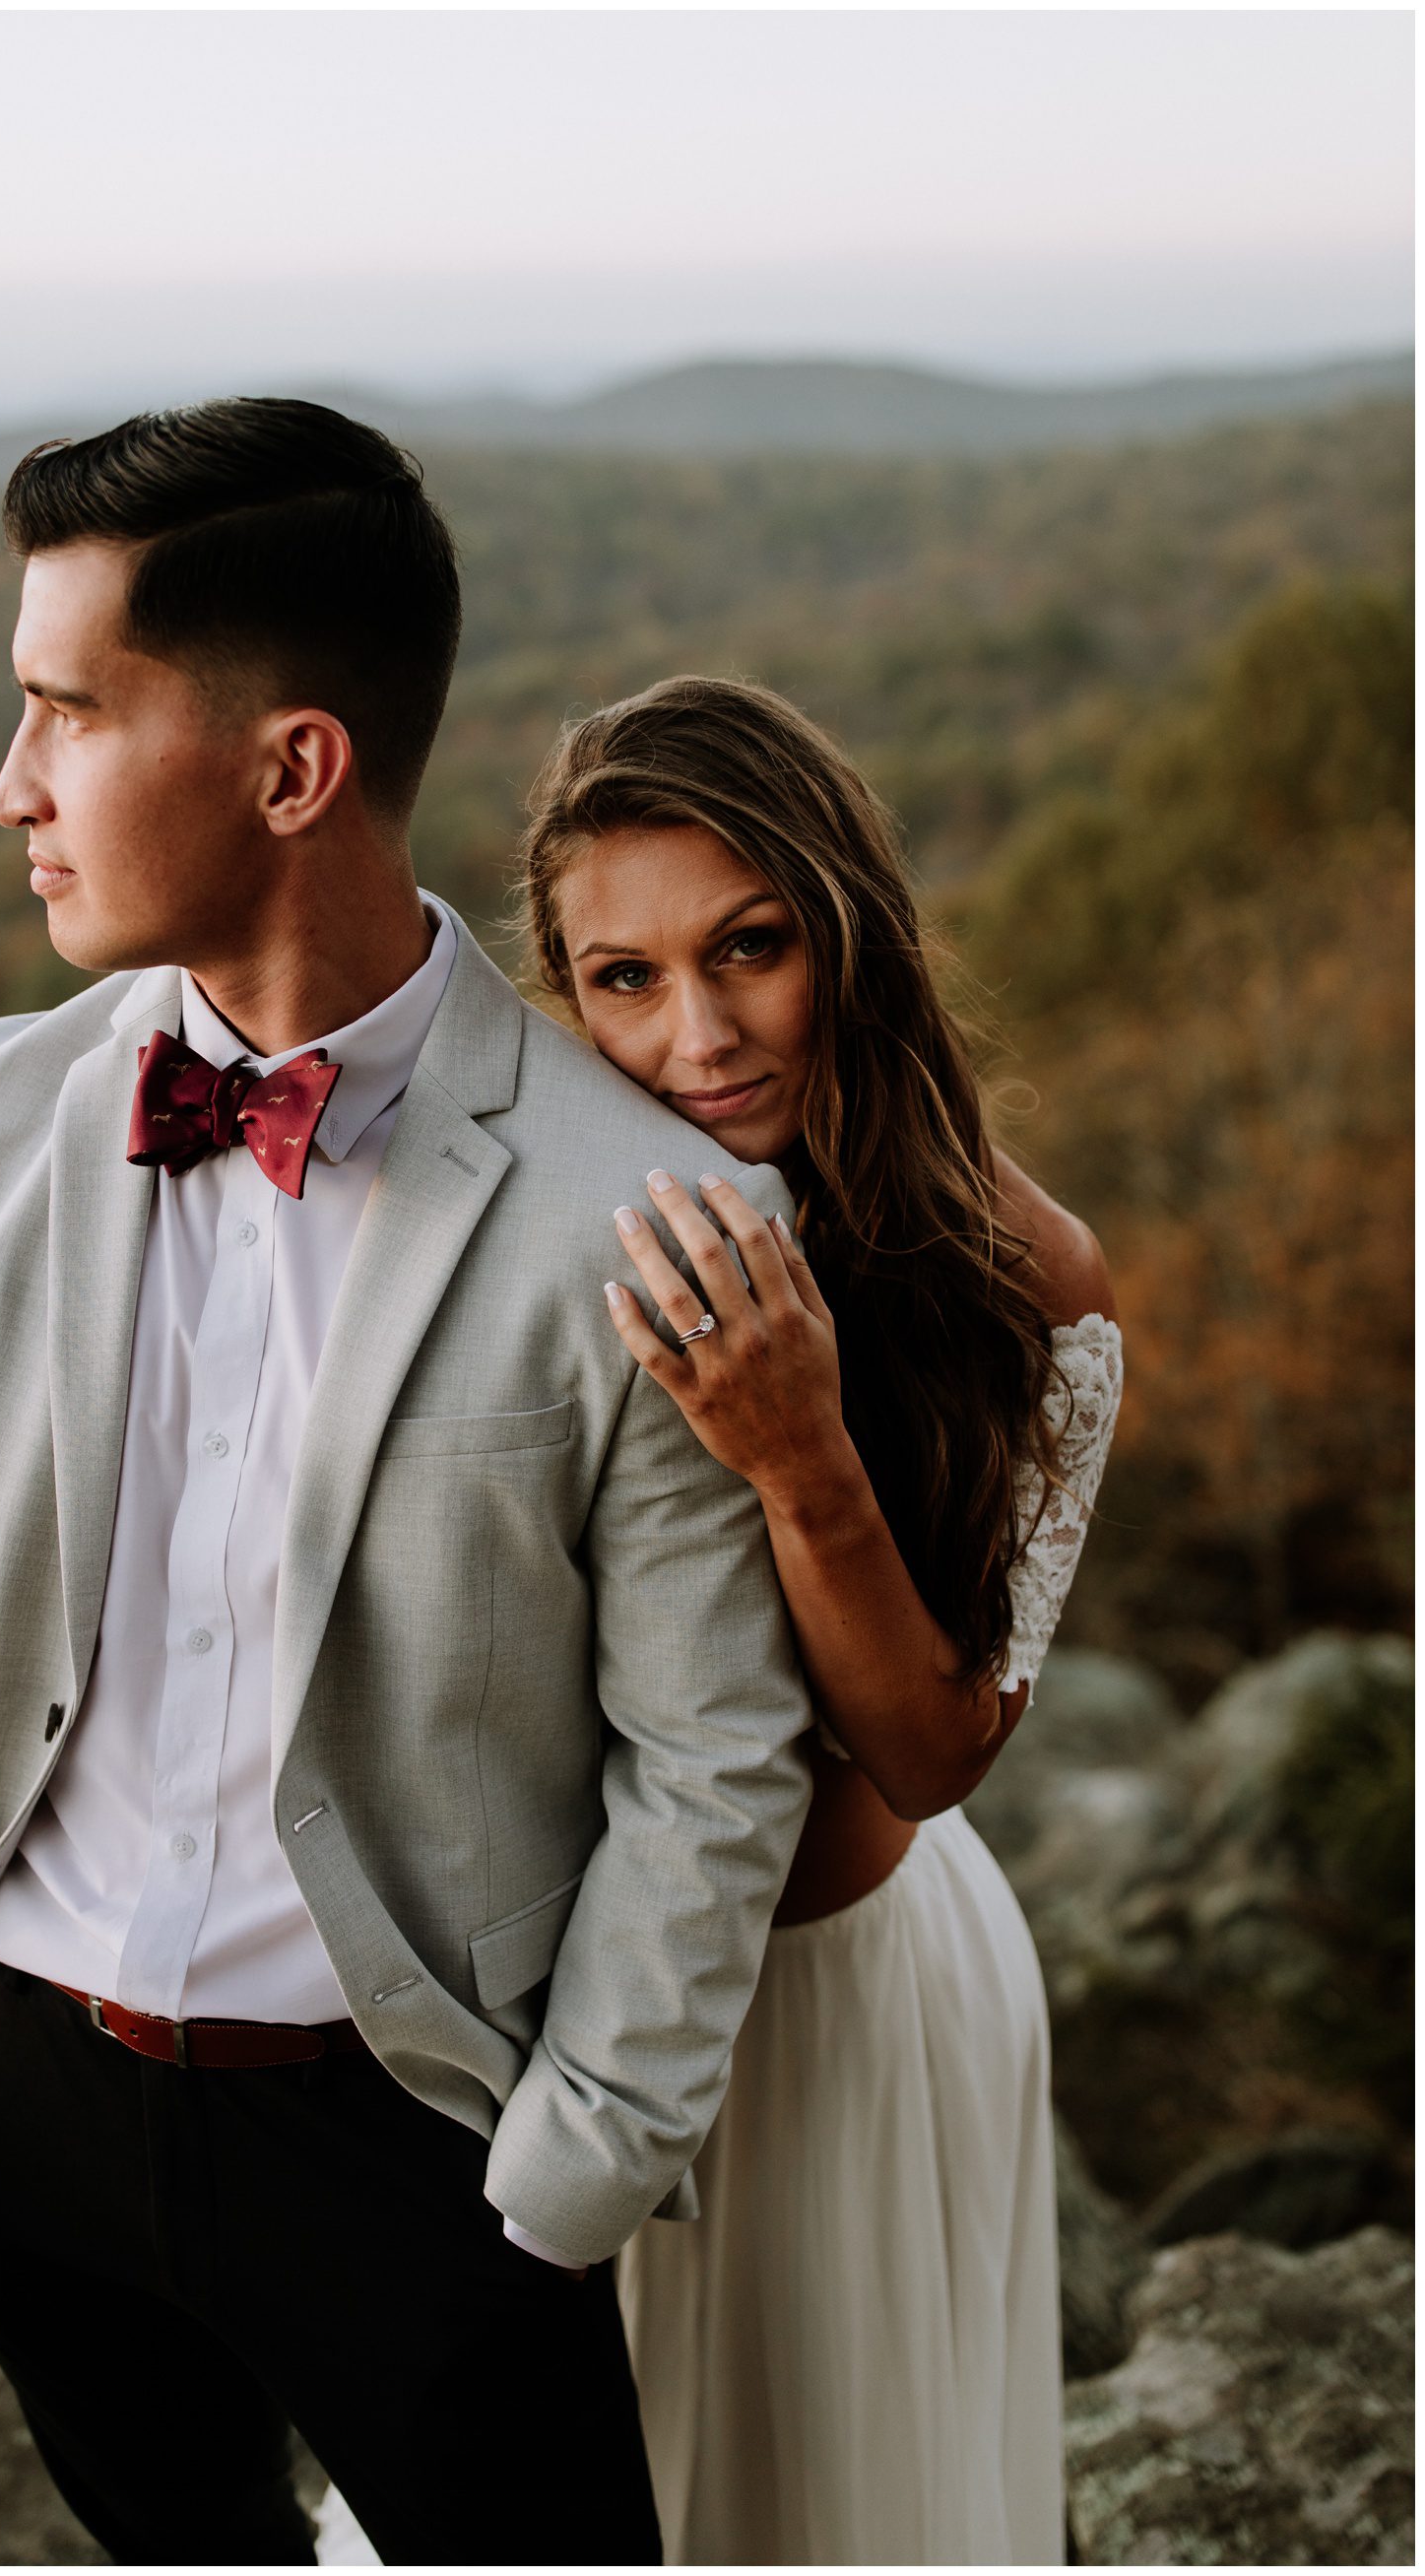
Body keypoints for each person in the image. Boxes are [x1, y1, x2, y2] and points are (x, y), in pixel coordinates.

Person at [0, 405, 821, 2568]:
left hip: (412, 2159)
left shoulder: (640, 1206)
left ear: (290, 771)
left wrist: (570, 2177)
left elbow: (711, 1753)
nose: (11, 785)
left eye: (66, 712)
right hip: (4, 2088)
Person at [519, 675, 1124, 2565]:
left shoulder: (1017, 1276)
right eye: (620, 979)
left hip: (848, 2013)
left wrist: (803, 1455)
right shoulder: (541, 1227)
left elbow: (939, 1747)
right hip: (576, 1995)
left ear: (841, 927)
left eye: (748, 950)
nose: (694, 1036)